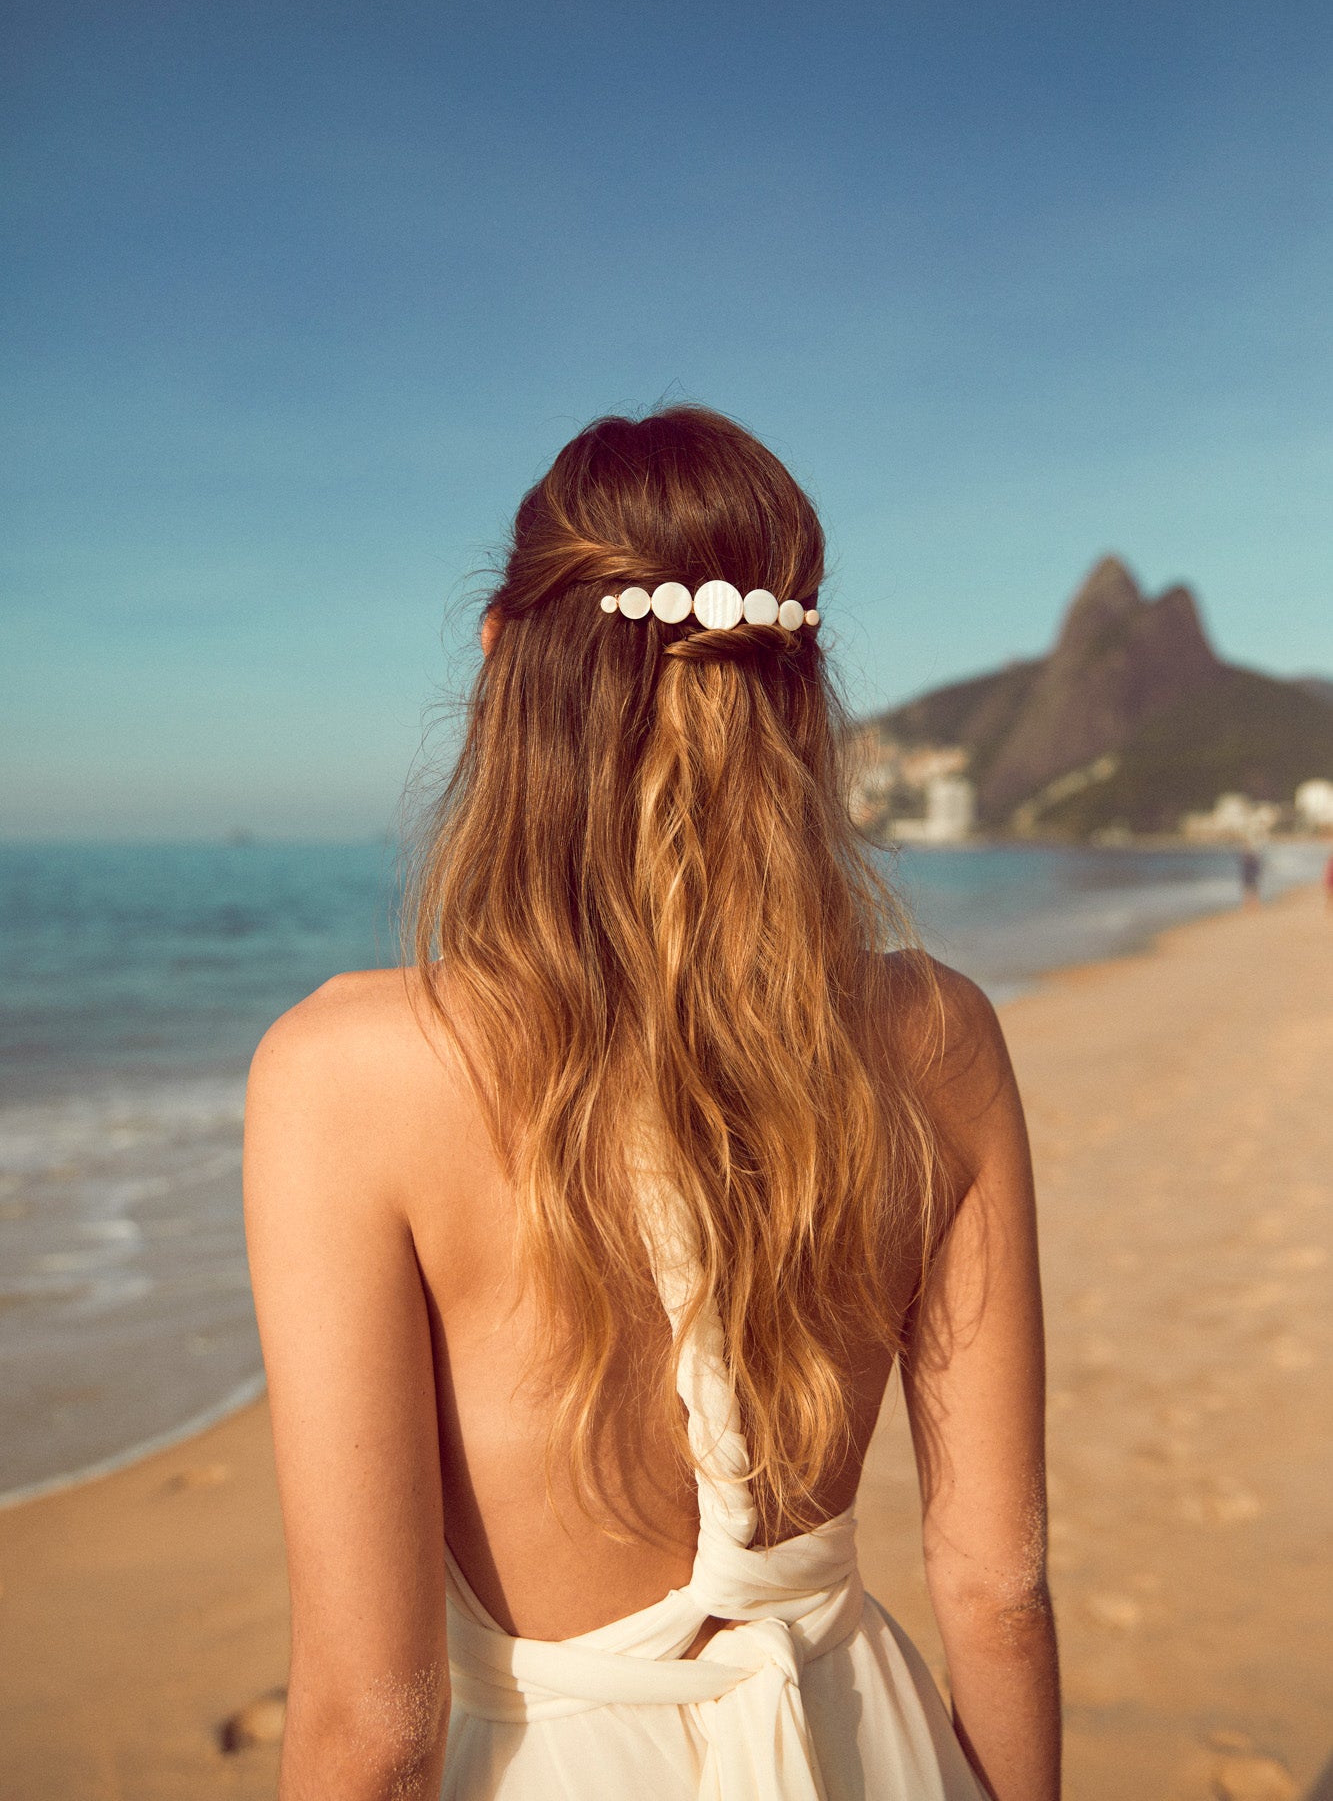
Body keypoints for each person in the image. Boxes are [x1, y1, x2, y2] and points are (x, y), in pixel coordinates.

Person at [245, 407, 1061, 1801]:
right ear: (797, 678)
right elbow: (994, 1587)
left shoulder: (346, 1075)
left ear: (504, 656)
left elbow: (375, 1720)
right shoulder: (938, 1033)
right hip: (860, 1738)